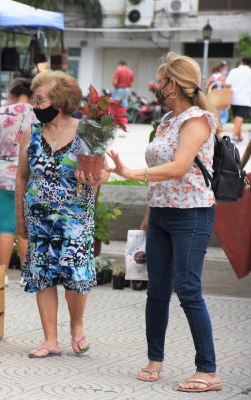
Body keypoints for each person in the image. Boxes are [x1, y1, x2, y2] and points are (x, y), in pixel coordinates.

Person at [108, 52, 222, 393]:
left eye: (162, 80)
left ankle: (209, 370)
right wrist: (148, 214)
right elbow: (163, 177)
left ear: (174, 84)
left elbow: (178, 166)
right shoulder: (168, 120)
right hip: (161, 214)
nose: (158, 86)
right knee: (156, 291)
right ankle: (155, 360)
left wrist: (131, 173)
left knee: (188, 290)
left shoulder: (198, 120)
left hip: (192, 214)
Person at [15, 71, 109, 358]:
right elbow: (21, 177)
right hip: (39, 217)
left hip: (75, 218)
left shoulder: (87, 131)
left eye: (40, 99)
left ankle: (76, 327)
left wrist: (97, 179)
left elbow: (103, 171)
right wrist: (20, 219)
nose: (35, 105)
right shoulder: (32, 131)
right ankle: (50, 340)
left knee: (75, 274)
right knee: (42, 275)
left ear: (59, 100)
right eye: (34, 99)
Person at [0, 78, 36, 286]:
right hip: (29, 175)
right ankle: (27, 275)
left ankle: (1, 276)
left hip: (0, 175)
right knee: (25, 226)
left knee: (5, 225)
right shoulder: (38, 114)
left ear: (11, 95)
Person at [225, 57, 251, 142]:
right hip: (245, 99)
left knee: (237, 117)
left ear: (241, 62)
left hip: (233, 98)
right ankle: (233, 137)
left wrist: (227, 98)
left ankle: (239, 136)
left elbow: (227, 84)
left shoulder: (233, 71)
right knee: (239, 117)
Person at [205, 61, 229, 126]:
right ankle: (220, 126)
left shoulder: (211, 77)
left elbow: (207, 87)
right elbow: (226, 87)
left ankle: (214, 124)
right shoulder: (223, 77)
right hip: (221, 97)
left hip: (213, 97)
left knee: (214, 112)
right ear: (220, 69)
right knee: (223, 114)